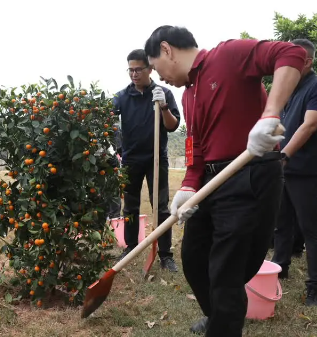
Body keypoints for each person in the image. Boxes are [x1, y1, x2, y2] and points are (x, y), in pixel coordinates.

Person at [144, 26, 306, 336]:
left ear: (167, 49)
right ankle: (219, 317)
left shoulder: (229, 55)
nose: (159, 76)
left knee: (226, 270)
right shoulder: (189, 93)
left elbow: (291, 53)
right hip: (212, 179)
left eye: (155, 66)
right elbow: (197, 147)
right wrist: (189, 187)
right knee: (193, 257)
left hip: (250, 173)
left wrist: (269, 115)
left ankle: (223, 324)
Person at [271, 38, 317, 307]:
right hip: (282, 167)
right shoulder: (290, 89)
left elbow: (309, 126)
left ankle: (316, 288)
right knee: (281, 223)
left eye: (292, 60)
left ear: (307, 62)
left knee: (310, 229)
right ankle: (279, 269)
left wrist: (285, 155)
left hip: (305, 170)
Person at [113, 49, 181, 272]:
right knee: (130, 207)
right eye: (130, 70)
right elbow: (107, 121)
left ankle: (165, 254)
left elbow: (172, 126)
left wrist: (162, 107)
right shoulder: (123, 97)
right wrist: (119, 147)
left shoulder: (164, 93)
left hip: (156, 159)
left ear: (149, 69)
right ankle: (131, 248)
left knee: (161, 207)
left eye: (138, 69)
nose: (133, 74)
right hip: (131, 159)